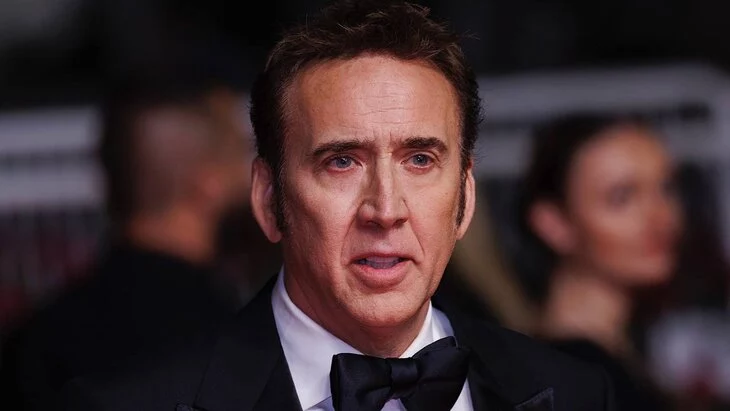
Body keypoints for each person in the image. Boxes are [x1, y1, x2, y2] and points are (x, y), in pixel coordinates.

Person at [61, 2, 615, 410]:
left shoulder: (574, 394)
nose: (386, 209)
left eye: (420, 160)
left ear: (465, 198)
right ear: (269, 199)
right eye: (342, 161)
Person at [0, 72, 252, 410]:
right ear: (208, 183)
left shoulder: (35, 342)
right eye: (239, 154)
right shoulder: (232, 340)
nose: (253, 177)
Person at [521, 113, 684, 410]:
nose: (661, 217)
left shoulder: (617, 357)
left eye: (666, 188)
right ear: (553, 223)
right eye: (621, 197)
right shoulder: (571, 379)